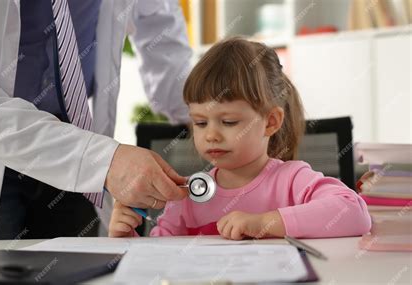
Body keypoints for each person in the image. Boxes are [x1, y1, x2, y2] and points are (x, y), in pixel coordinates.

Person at [0, 0, 191, 242]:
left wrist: (208, 115)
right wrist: (102, 161)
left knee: (77, 268)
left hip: (74, 138)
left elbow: (161, 28)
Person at [108, 37, 372, 240]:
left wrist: (264, 223)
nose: (211, 135)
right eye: (200, 122)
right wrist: (127, 238)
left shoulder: (292, 180)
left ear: (270, 122)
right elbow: (158, 260)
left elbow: (355, 213)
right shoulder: (189, 196)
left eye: (229, 122)